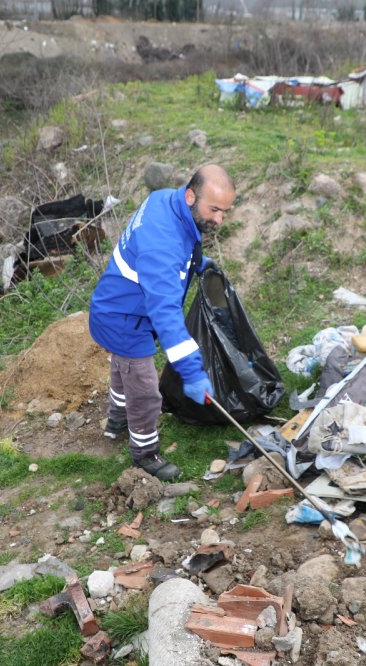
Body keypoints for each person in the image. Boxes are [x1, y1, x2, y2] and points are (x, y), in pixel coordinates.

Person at [88, 164, 236, 480]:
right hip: (124, 319)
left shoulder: (166, 200)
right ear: (191, 195)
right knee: (144, 391)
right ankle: (144, 455)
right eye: (214, 209)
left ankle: (116, 421)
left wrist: (196, 262)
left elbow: (182, 244)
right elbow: (166, 315)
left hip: (117, 304)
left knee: (122, 369)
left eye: (225, 211)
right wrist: (192, 374)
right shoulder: (162, 245)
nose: (219, 219)